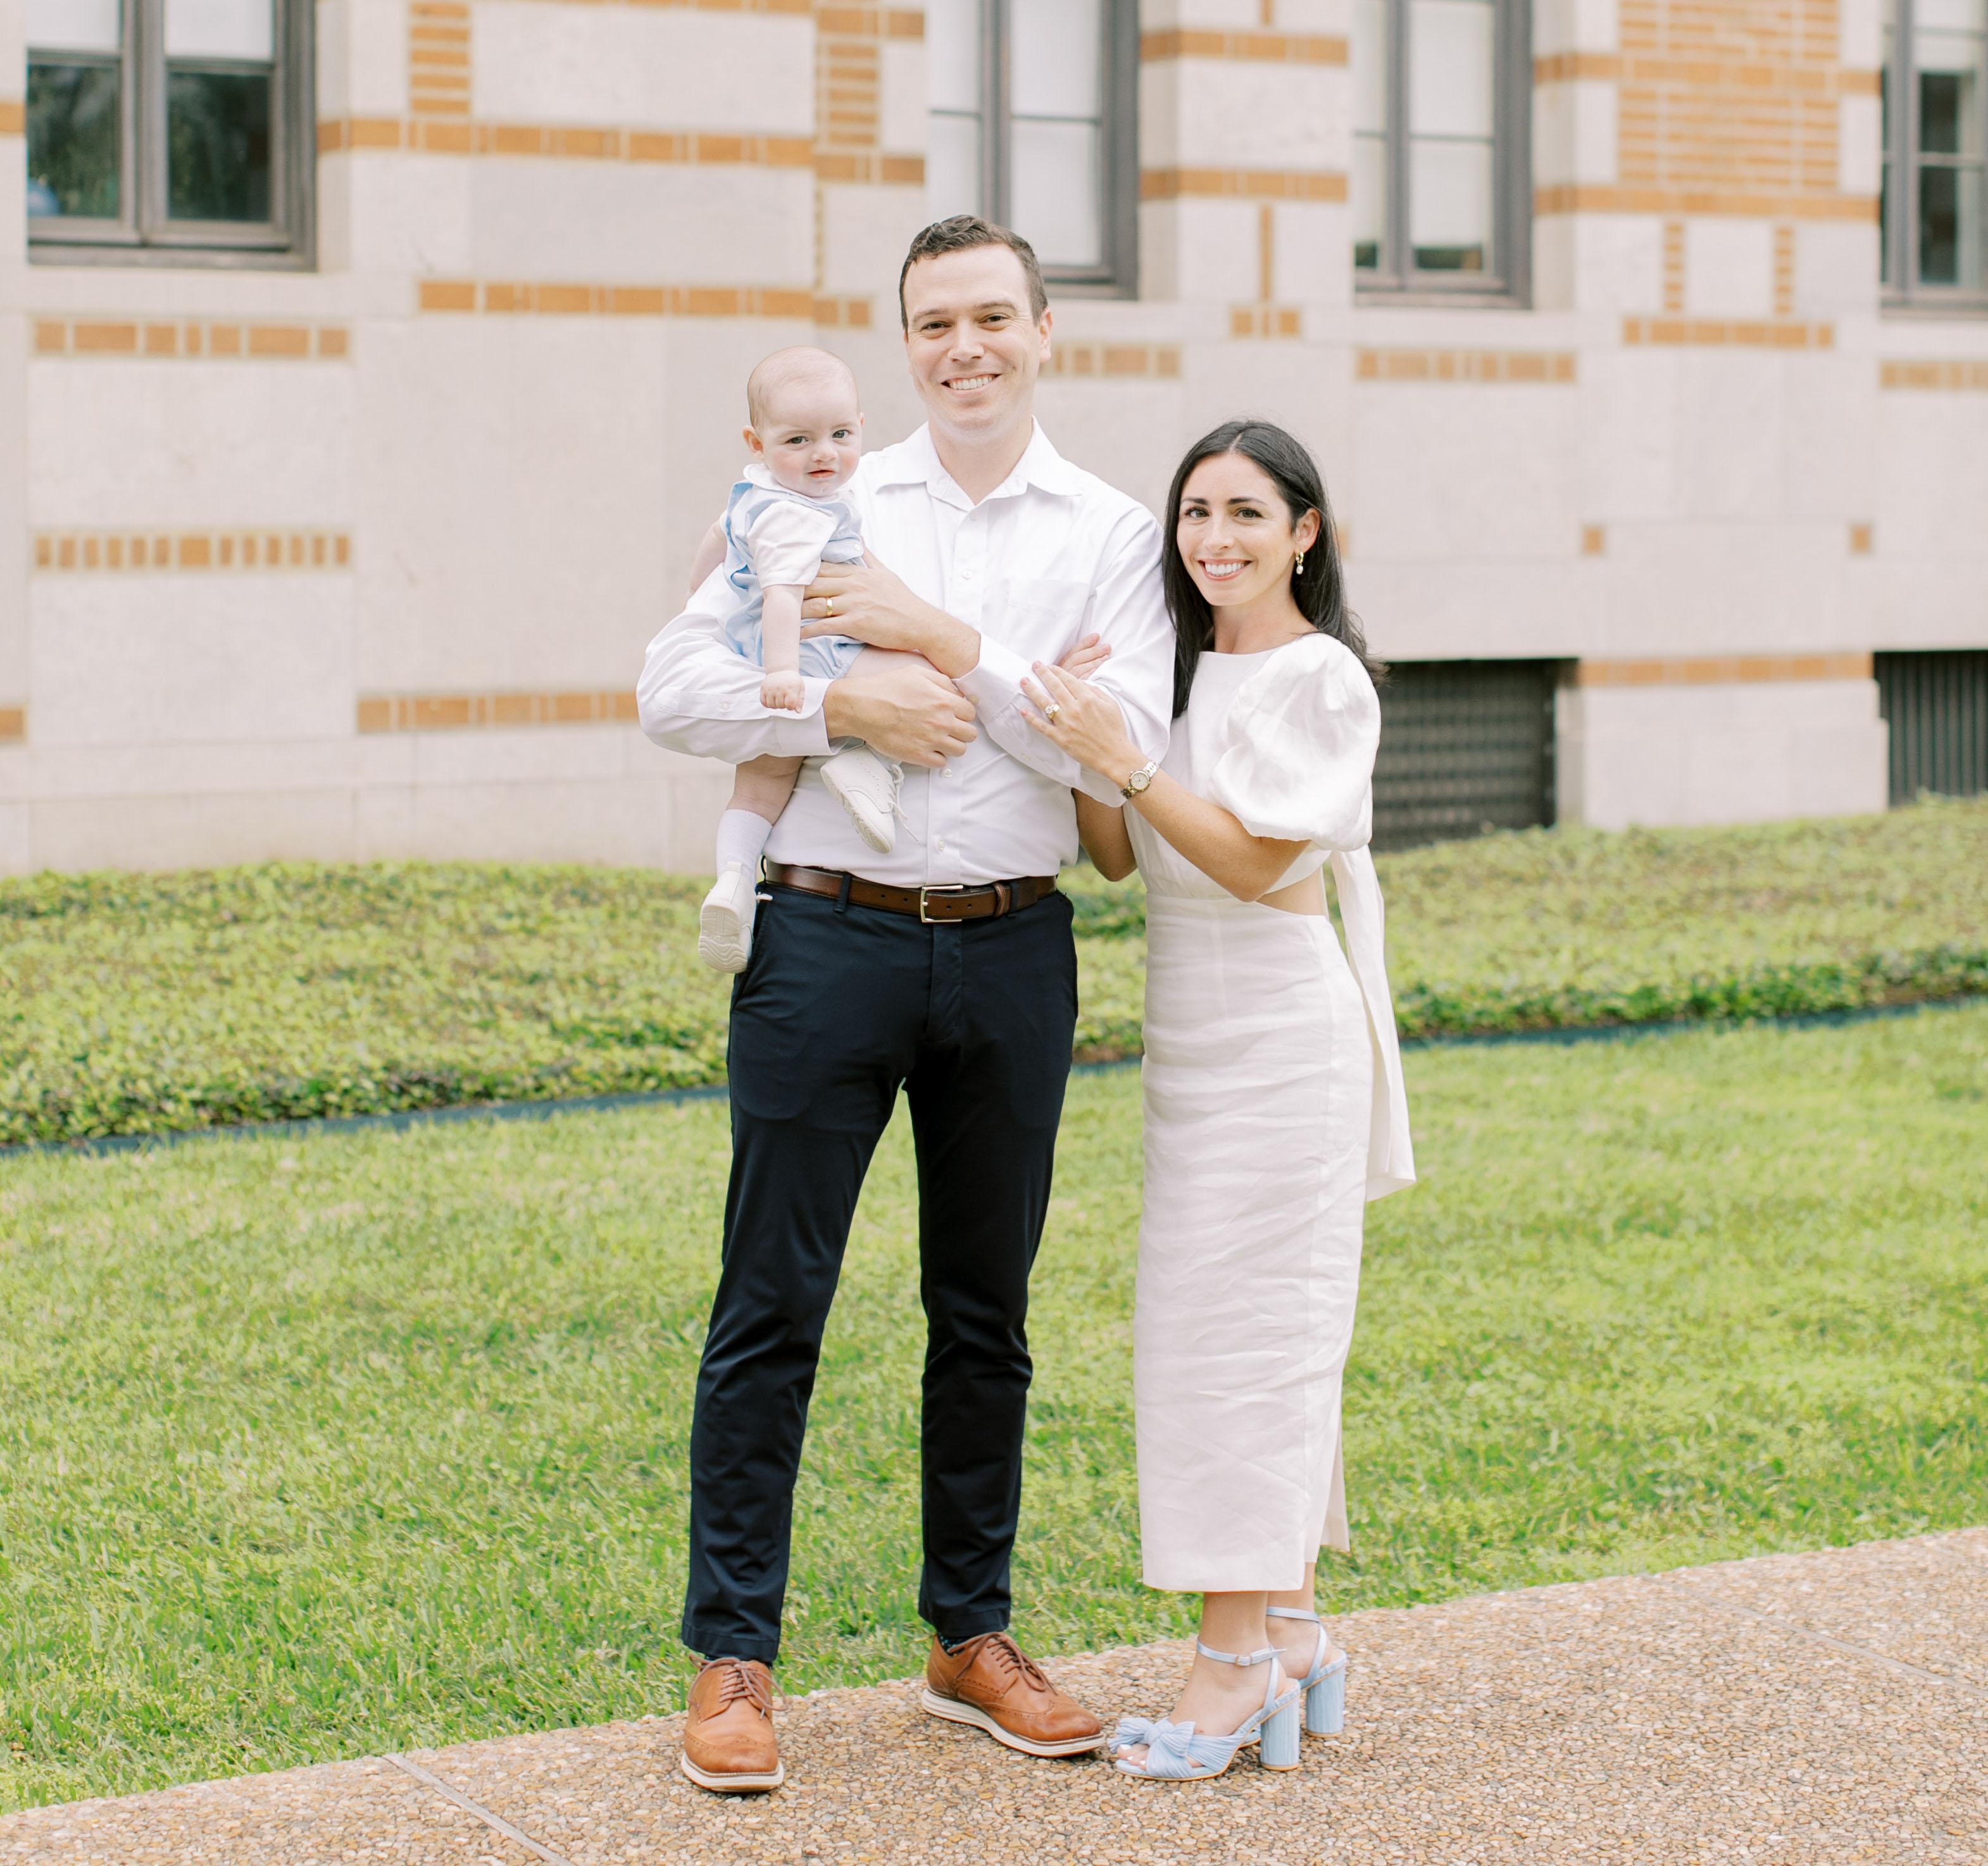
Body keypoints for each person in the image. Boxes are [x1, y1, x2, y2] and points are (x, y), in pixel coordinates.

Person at [635, 216, 1177, 1795]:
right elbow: (672, 688)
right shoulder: (817, 493)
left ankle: (968, 1636)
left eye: (990, 317)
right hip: (823, 944)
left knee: (984, 1314)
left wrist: (945, 646)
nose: (962, 348)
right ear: (904, 344)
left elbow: (1116, 751)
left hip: (1014, 946)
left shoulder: (1113, 532)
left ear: (1043, 331)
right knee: (768, 1309)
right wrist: (834, 695)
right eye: (932, 323)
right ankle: (734, 1655)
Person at [1020, 419, 1416, 1782]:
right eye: (1195, 514)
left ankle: (1233, 1656)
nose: (1215, 540)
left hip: (1286, 1045)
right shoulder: (1182, 679)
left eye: (1246, 513)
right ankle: (1293, 1629)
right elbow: (1123, 856)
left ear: (1304, 530)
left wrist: (1125, 759)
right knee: (1213, 1331)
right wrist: (1083, 734)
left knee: (1240, 1340)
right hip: (1190, 1044)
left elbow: (1253, 863)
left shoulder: (1323, 679)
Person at [688, 347, 920, 974]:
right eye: (800, 440)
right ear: (757, 440)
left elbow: (714, 544)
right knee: (916, 680)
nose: (825, 455)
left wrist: (700, 598)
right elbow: (785, 595)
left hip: (757, 658)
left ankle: (734, 883)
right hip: (809, 656)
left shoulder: (754, 493)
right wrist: (785, 675)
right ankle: (852, 756)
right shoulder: (798, 515)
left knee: (760, 786)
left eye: (841, 435)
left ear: (862, 428)